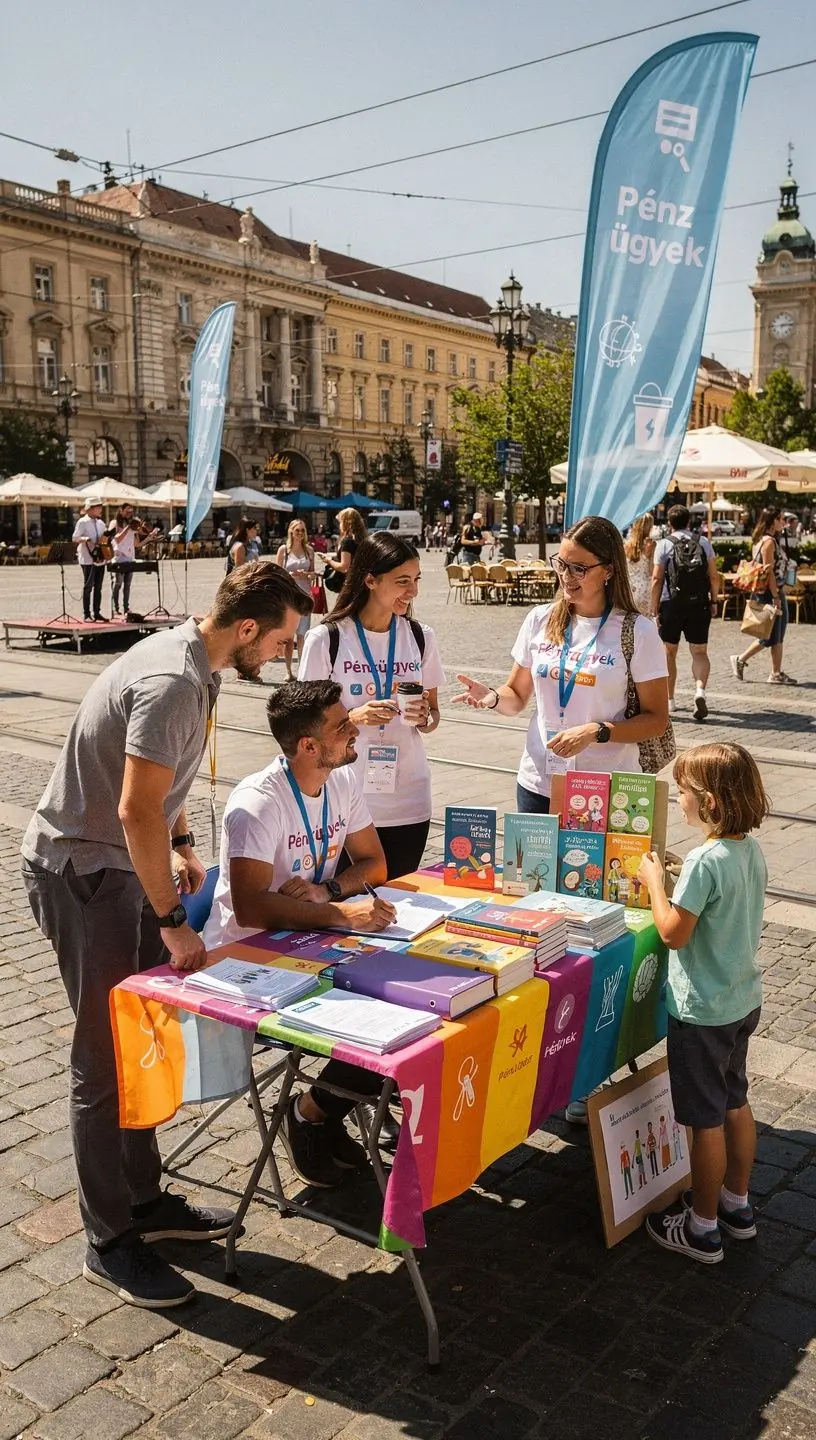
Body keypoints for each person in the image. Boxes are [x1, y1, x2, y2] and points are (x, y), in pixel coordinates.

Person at [20, 561, 312, 1310]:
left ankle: (145, 1204)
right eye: (281, 641)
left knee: (140, 1038)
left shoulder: (198, 662)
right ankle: (108, 1239)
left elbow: (160, 790)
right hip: (85, 871)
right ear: (247, 628)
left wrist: (184, 845)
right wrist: (174, 922)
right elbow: (132, 810)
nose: (283, 656)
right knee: (102, 1059)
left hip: (120, 864)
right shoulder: (176, 681)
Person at [203, 680, 399, 1184]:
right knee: (380, 1024)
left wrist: (329, 891)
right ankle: (312, 1114)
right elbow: (248, 908)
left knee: (417, 1000)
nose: (354, 728)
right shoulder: (256, 803)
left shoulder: (342, 781)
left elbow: (375, 863)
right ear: (309, 746)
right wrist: (339, 915)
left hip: (312, 939)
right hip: (248, 959)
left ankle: (320, 1109)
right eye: (342, 725)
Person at [638, 742, 769, 1264]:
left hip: (702, 1012)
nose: (680, 802)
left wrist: (654, 884)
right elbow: (717, 910)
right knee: (735, 1101)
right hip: (741, 1000)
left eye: (685, 794)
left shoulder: (702, 859)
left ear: (709, 802)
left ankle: (702, 1227)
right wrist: (675, 879)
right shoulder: (747, 850)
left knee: (704, 1119)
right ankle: (737, 1205)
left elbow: (672, 933)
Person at [453, 515, 669, 818]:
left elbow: (657, 720)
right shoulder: (540, 619)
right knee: (533, 867)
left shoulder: (638, 631)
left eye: (579, 568)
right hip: (539, 782)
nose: (567, 576)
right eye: (562, 564)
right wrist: (493, 697)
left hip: (606, 788)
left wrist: (597, 731)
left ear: (608, 570)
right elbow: (516, 695)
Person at [300, 533, 445, 878]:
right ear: (369, 580)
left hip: (409, 797)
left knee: (397, 906)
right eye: (402, 582)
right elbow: (304, 721)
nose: (413, 592)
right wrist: (353, 717)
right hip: (345, 799)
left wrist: (425, 717)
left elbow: (434, 715)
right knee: (345, 911)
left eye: (416, 580)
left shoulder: (420, 636)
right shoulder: (328, 639)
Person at [650, 504, 719, 722]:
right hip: (699, 604)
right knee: (699, 652)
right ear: (689, 521)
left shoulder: (663, 545)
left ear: (669, 523)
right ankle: (700, 690)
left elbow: (657, 579)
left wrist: (654, 609)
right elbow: (714, 576)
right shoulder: (704, 542)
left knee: (669, 653)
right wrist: (714, 601)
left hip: (672, 605)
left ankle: (670, 701)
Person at [731, 507, 798, 686]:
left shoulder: (764, 540)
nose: (782, 522)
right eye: (780, 519)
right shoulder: (768, 542)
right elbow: (769, 573)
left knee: (777, 634)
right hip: (770, 593)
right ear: (771, 521)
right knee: (769, 634)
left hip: (771, 592)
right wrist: (776, 596)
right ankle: (740, 658)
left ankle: (776, 673)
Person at [275, 520, 316, 680]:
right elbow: (277, 573)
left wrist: (306, 575)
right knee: (288, 636)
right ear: (291, 531)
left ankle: (302, 670)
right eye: (297, 530)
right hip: (288, 597)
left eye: (303, 530)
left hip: (305, 596)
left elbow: (313, 574)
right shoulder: (284, 550)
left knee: (302, 635)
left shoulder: (309, 550)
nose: (300, 533)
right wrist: (290, 575)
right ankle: (288, 670)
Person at [110, 506, 155, 616]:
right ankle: (115, 608)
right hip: (119, 558)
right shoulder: (115, 523)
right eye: (128, 511)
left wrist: (148, 537)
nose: (130, 513)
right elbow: (117, 539)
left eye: (131, 511)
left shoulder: (133, 526)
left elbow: (136, 544)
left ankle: (126, 608)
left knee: (128, 584)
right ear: (121, 511)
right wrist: (128, 527)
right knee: (118, 584)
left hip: (129, 558)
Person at [72, 499, 107, 622]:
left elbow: (105, 538)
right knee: (88, 586)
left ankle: (97, 612)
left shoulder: (101, 523)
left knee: (98, 587)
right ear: (91, 509)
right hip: (87, 558)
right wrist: (85, 538)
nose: (100, 509)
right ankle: (86, 614)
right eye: (98, 507)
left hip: (100, 558)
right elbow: (75, 538)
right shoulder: (82, 522)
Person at [323, 507, 366, 593]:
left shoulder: (348, 541)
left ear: (345, 523)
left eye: (340, 522)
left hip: (349, 586)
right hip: (362, 583)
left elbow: (344, 567)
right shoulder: (362, 539)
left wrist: (329, 561)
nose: (339, 525)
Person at [624, 514, 656, 616]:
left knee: (629, 624)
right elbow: (652, 571)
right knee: (644, 624)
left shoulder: (626, 545)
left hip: (630, 588)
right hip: (645, 589)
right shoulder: (651, 545)